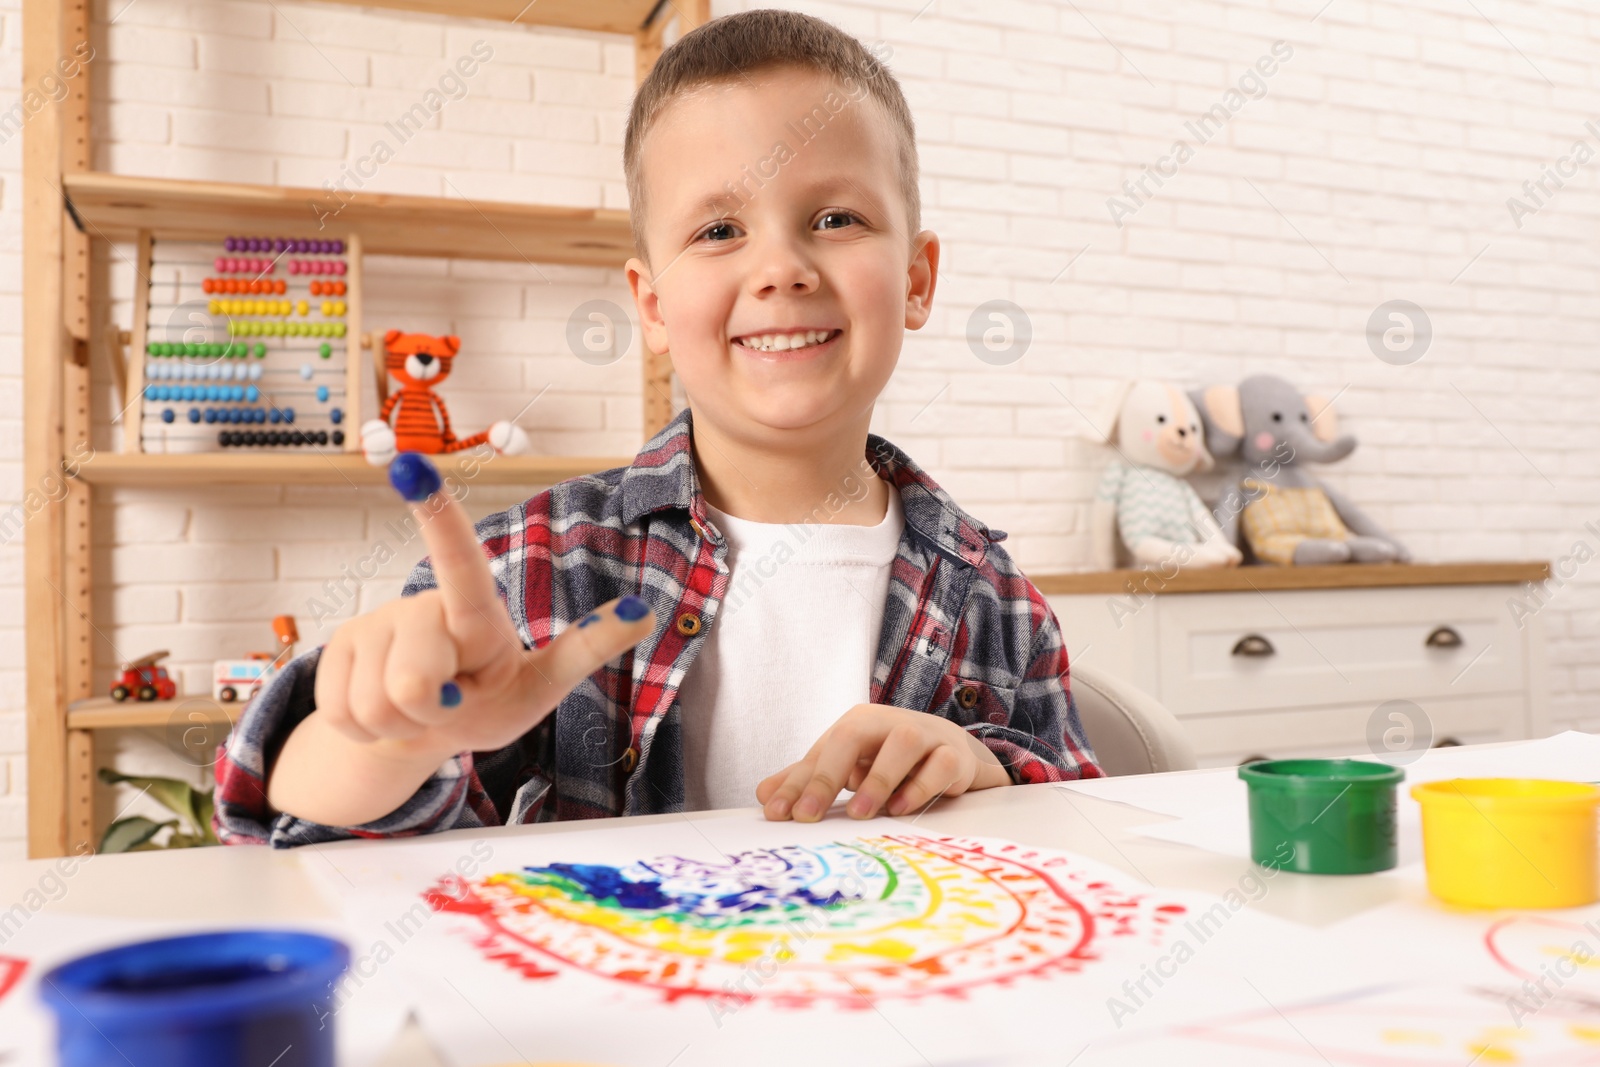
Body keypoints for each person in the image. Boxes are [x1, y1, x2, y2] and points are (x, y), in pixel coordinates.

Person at [214, 8, 1100, 848]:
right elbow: (302, 840)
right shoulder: (524, 572)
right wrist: (381, 744)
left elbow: (1086, 836)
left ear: (916, 279)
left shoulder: (997, 598)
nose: (781, 267)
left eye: (835, 219)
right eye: (719, 229)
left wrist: (989, 771)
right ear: (651, 306)